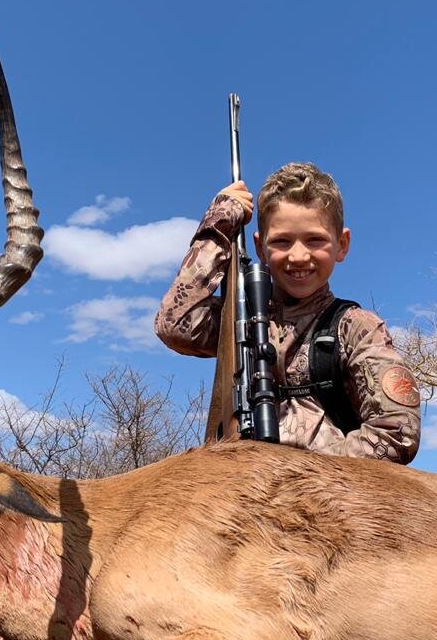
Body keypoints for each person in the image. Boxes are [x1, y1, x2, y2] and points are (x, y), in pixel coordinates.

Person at [155, 162, 421, 463]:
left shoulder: (357, 329)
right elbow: (175, 324)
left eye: (315, 240)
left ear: (342, 245)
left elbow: (398, 433)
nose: (298, 256)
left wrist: (293, 475)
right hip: (242, 490)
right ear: (260, 248)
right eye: (281, 241)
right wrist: (218, 227)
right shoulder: (242, 323)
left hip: (331, 500)